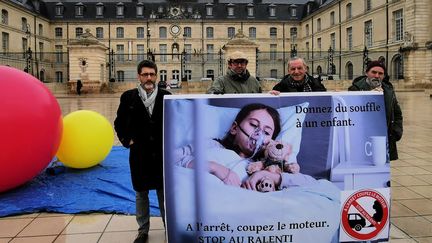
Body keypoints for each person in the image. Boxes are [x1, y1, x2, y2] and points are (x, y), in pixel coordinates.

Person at [175, 103, 309, 189]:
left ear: (271, 142)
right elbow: (171, 158)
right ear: (234, 128)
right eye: (254, 125)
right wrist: (214, 167)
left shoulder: (265, 167)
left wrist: (265, 174)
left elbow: (308, 183)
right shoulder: (212, 145)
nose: (259, 134)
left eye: (267, 132)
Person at [114, 59, 171, 243]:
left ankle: (168, 227)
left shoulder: (166, 96)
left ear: (156, 76)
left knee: (164, 194)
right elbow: (119, 123)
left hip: (161, 154)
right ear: (139, 76)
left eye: (152, 74)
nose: (149, 77)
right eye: (145, 74)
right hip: (139, 154)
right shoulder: (128, 97)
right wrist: (127, 140)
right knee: (141, 193)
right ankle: (143, 230)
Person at [348, 60, 403, 161]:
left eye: (380, 73)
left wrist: (396, 132)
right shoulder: (354, 89)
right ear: (366, 73)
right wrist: (369, 95)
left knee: (381, 168)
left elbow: (397, 113)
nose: (377, 76)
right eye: (374, 72)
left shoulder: (388, 90)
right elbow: (351, 113)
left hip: (384, 138)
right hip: (362, 138)